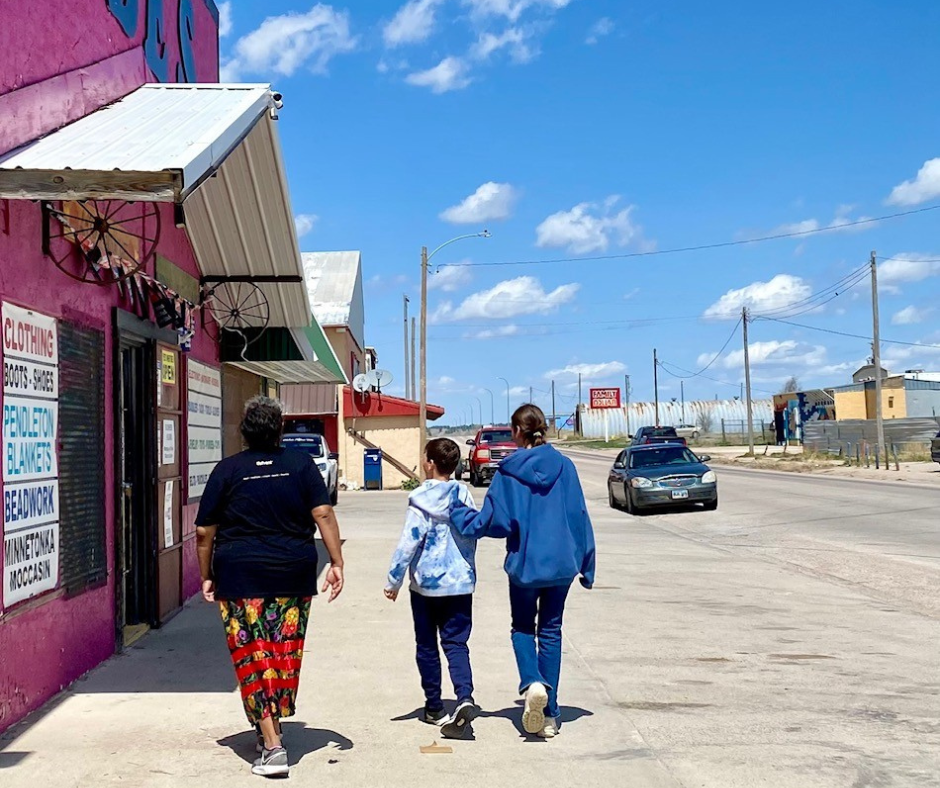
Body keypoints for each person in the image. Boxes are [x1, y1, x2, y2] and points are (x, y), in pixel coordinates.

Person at [196, 396, 344, 778]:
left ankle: (274, 747)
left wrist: (206, 573)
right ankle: (270, 730)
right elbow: (323, 512)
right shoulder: (300, 465)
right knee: (282, 655)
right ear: (280, 429)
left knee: (253, 656)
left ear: (244, 432)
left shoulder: (228, 470)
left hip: (240, 576)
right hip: (292, 575)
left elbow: (203, 531)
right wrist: (336, 561)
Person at [449, 404, 595, 739]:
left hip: (526, 566)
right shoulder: (566, 467)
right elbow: (578, 515)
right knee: (552, 632)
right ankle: (552, 715)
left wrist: (458, 514)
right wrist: (587, 563)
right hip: (561, 565)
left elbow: (494, 522)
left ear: (517, 432)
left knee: (522, 628)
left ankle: (532, 683)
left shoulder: (508, 472)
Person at [384, 438, 480, 740]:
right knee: (456, 644)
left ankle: (435, 707)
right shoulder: (463, 493)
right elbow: (473, 531)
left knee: (427, 645)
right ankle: (464, 696)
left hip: (426, 587)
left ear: (429, 463)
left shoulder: (419, 498)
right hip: (460, 584)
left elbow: (408, 542)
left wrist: (393, 580)